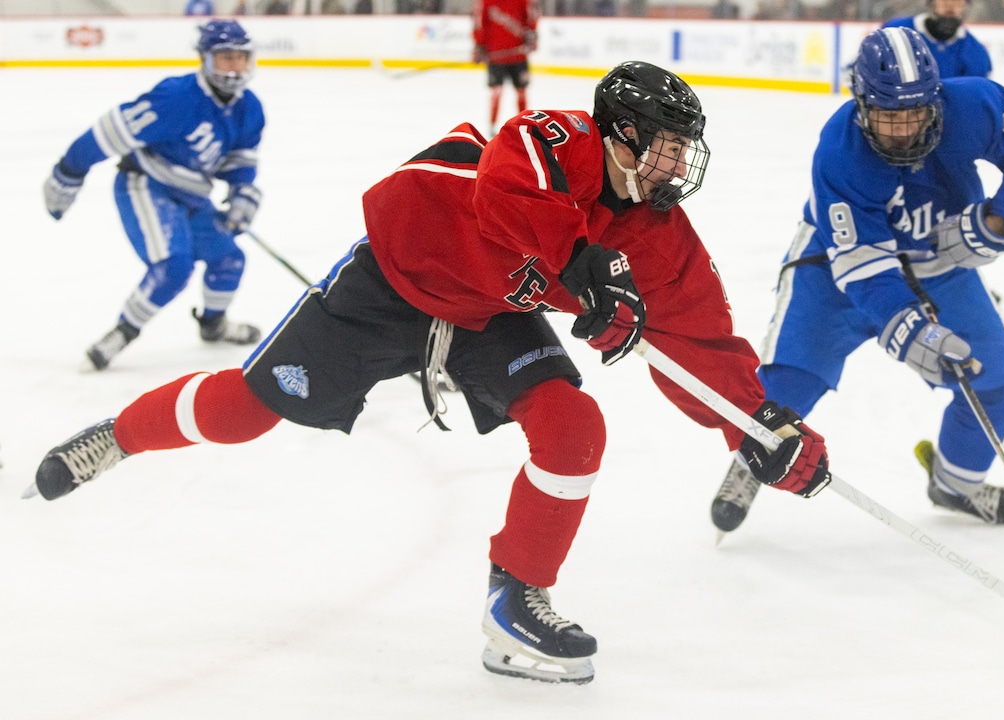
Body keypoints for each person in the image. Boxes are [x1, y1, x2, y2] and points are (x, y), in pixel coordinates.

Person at [26, 61, 831, 685]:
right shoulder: (558, 141)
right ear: (618, 135)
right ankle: (119, 436)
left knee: (572, 425)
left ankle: (517, 597)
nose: (675, 165)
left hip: (490, 315)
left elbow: (702, 341)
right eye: (662, 146)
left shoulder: (660, 232)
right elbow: (508, 193)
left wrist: (761, 427)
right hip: (397, 280)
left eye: (682, 150)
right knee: (244, 411)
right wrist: (582, 263)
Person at [710, 27, 1004, 535]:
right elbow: (862, 266)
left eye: (916, 113)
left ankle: (956, 483)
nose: (903, 129)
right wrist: (909, 329)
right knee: (794, 378)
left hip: (937, 258)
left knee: (999, 379)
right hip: (834, 266)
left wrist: (996, 222)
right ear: (861, 104)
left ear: (936, 99)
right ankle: (752, 460)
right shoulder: (838, 150)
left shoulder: (971, 104)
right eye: (887, 115)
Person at [42, 20, 266, 372]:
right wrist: (69, 170)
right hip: (146, 184)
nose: (235, 67)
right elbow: (110, 132)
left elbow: (240, 157)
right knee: (174, 267)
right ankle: (122, 333)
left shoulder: (248, 107)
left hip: (192, 197)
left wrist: (243, 193)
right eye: (225, 58)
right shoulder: (176, 98)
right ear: (204, 59)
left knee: (229, 260)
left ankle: (213, 325)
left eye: (241, 57)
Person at [472, 0, 539, 136]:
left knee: (521, 91)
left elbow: (531, 16)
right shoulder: (486, 2)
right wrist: (479, 45)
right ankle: (492, 127)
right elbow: (479, 22)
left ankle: (524, 124)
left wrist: (531, 35)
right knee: (496, 92)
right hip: (495, 56)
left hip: (518, 55)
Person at [882, 0, 991, 79]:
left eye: (957, 1)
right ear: (931, 3)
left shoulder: (976, 53)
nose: (950, 5)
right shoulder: (896, 32)